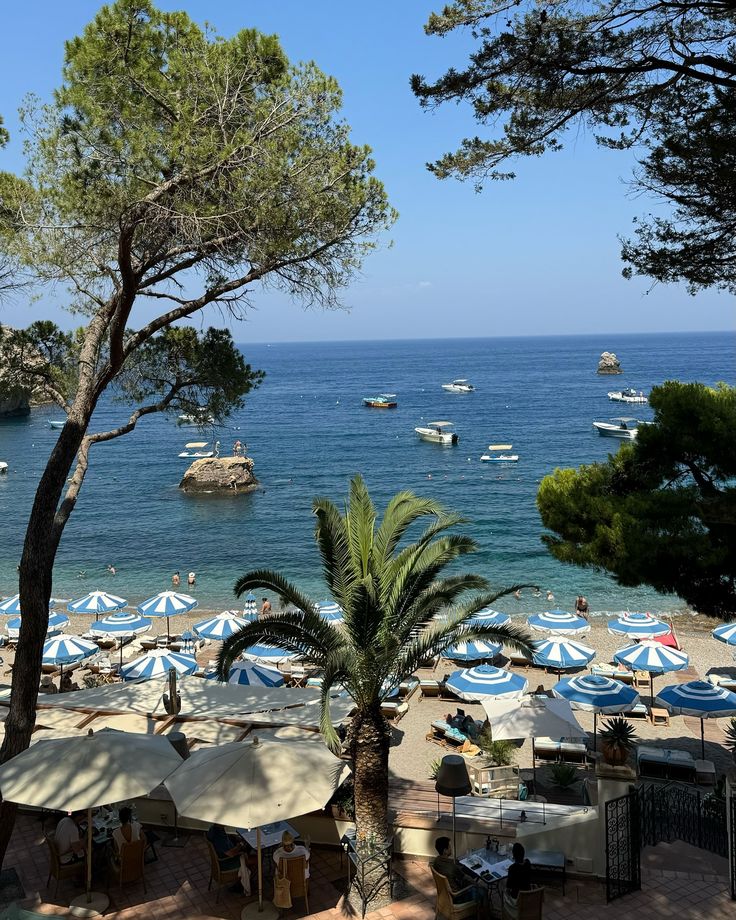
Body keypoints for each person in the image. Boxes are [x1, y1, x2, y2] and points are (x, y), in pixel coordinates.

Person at [429, 837, 479, 905]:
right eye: (449, 847)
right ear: (445, 850)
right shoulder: (452, 866)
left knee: (466, 876)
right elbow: (466, 877)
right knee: (482, 891)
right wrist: (476, 884)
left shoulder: (436, 861)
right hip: (456, 896)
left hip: (445, 893)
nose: (451, 849)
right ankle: (483, 914)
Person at [206, 824, 253, 894]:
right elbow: (230, 853)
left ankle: (244, 880)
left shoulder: (213, 829)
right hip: (226, 863)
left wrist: (234, 838)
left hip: (220, 860)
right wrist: (240, 844)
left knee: (246, 851)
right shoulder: (218, 836)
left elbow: (224, 842)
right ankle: (242, 884)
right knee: (255, 860)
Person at [503, 842, 533, 918]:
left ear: (513, 855)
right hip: (528, 896)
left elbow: (508, 887)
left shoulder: (512, 868)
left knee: (502, 889)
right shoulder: (528, 863)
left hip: (516, 899)